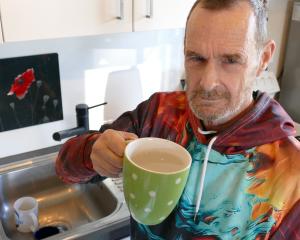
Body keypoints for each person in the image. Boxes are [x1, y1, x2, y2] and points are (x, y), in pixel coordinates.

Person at [55, 0, 300, 239]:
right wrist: (92, 151)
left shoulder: (291, 175)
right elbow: (65, 168)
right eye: (196, 58)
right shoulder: (158, 113)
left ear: (264, 59)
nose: (207, 82)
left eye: (231, 60)